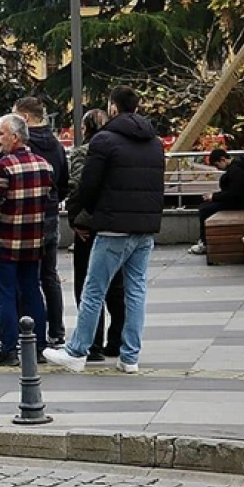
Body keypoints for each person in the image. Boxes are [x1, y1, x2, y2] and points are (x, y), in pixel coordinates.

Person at [45, 86, 164, 374]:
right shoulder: (154, 142)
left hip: (112, 227)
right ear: (136, 107)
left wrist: (80, 215)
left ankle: (76, 351)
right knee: (135, 291)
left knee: (93, 289)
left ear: (112, 107)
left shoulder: (104, 141)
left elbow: (89, 185)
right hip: (145, 228)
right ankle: (130, 356)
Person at [0, 114, 55, 367]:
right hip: (33, 241)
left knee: (6, 296)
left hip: (5, 241)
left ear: (15, 137)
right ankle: (39, 346)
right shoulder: (44, 165)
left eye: (1, 134)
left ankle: (8, 348)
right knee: (32, 291)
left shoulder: (3, 166)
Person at [65, 109, 127, 361]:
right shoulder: (121, 150)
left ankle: (92, 344)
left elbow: (77, 186)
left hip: (89, 228)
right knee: (117, 285)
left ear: (85, 127)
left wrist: (76, 219)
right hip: (118, 224)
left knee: (89, 286)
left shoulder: (83, 152)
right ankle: (117, 340)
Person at [13, 96, 69, 346]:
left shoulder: (25, 147)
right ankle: (57, 330)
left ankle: (30, 329)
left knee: (27, 277)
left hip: (27, 217)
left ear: (24, 118)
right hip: (51, 213)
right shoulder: (56, 145)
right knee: (50, 275)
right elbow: (65, 181)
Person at [188, 148, 244, 255]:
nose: (218, 169)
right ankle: (203, 241)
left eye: (217, 165)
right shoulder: (238, 167)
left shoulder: (236, 170)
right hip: (242, 200)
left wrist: (214, 197)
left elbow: (233, 193)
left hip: (239, 203)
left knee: (205, 209)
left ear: (223, 160)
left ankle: (204, 243)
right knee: (206, 206)